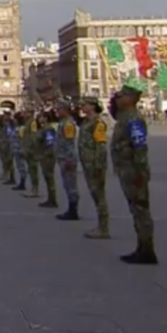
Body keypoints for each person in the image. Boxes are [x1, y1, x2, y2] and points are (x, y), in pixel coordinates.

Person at [110, 84, 156, 264]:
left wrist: (140, 172)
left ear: (130, 98)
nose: (118, 99)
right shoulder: (124, 118)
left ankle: (147, 249)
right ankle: (142, 246)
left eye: (121, 96)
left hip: (134, 170)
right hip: (126, 168)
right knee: (136, 210)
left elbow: (140, 147)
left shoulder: (134, 120)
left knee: (141, 210)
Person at [78, 97, 111, 239]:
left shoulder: (98, 123)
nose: (81, 107)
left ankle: (103, 228)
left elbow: (101, 145)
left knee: (99, 195)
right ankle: (100, 226)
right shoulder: (86, 122)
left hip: (95, 164)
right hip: (87, 163)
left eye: (84, 105)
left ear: (92, 106)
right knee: (95, 194)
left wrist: (99, 164)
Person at [54, 101, 81, 221]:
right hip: (63, 157)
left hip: (67, 158)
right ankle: (71, 208)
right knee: (67, 184)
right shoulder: (63, 122)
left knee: (71, 185)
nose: (57, 112)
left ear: (65, 110)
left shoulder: (68, 124)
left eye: (59, 109)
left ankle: (73, 210)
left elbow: (69, 143)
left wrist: (69, 159)